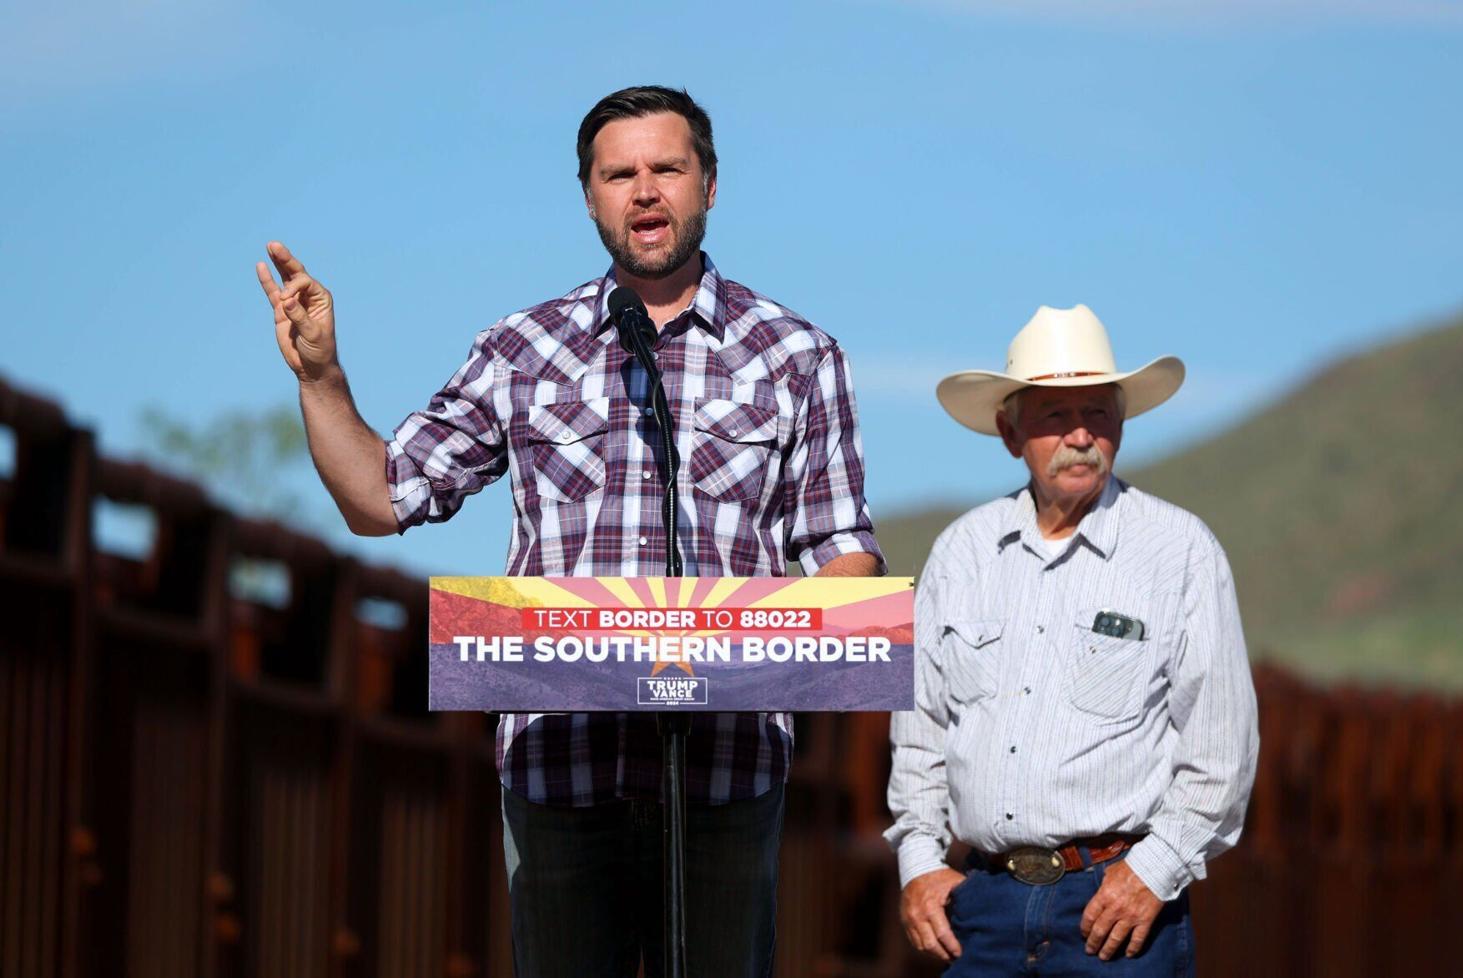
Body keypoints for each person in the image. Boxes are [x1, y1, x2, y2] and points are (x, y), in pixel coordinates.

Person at [255, 85, 884, 978]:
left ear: (710, 182)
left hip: (726, 769)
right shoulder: (521, 348)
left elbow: (846, 556)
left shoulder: (797, 354)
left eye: (667, 167)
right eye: (618, 173)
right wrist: (321, 378)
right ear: (589, 195)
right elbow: (381, 498)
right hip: (559, 767)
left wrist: (741, 654)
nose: (645, 191)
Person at [885, 304, 1257, 976]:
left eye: (1100, 415)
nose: (1081, 436)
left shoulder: (1179, 552)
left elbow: (1221, 748)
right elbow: (920, 734)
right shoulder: (961, 552)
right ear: (1010, 432)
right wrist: (918, 863)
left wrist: (1154, 871)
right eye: (1056, 416)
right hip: (982, 908)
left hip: (1115, 910)